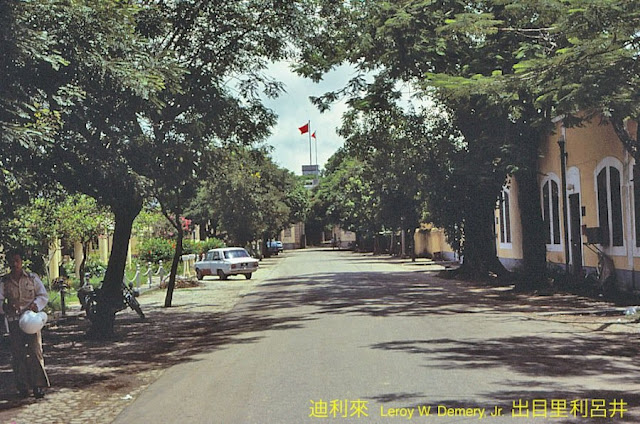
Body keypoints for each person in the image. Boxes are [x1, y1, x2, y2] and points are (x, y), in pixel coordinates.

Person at [0, 250, 50, 399]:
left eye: (17, 260)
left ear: (21, 262)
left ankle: (38, 385)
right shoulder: (4, 282)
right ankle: (22, 387)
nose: (14, 264)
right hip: (14, 322)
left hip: (32, 322)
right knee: (18, 355)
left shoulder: (32, 278)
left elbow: (43, 295)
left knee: (35, 352)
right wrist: (6, 308)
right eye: (11, 261)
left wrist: (35, 305)